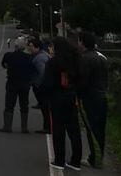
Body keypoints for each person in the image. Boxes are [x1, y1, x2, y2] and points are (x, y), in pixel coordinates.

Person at [42, 37, 83, 171]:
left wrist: (46, 97)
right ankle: (76, 161)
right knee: (74, 130)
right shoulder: (74, 61)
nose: (50, 49)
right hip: (71, 97)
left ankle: (59, 160)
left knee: (58, 130)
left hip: (57, 98)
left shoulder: (53, 62)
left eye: (52, 46)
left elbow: (47, 83)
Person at [78, 32, 109, 169]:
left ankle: (95, 159)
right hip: (102, 95)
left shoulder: (85, 59)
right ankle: (100, 156)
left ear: (82, 42)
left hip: (90, 97)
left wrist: (77, 92)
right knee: (100, 128)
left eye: (79, 41)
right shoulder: (101, 57)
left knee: (92, 128)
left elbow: (83, 80)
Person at [0, 37, 34, 133]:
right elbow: (31, 69)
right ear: (24, 47)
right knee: (24, 105)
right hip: (25, 84)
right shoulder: (28, 57)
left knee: (9, 104)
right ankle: (24, 127)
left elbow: (4, 65)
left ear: (15, 46)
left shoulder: (8, 56)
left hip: (12, 83)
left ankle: (7, 126)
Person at [28, 37, 51, 133]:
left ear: (37, 47)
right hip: (44, 86)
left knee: (44, 107)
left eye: (31, 47)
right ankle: (47, 126)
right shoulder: (44, 55)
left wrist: (36, 84)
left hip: (41, 87)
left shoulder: (39, 59)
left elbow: (42, 73)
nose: (30, 49)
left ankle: (47, 127)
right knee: (45, 107)